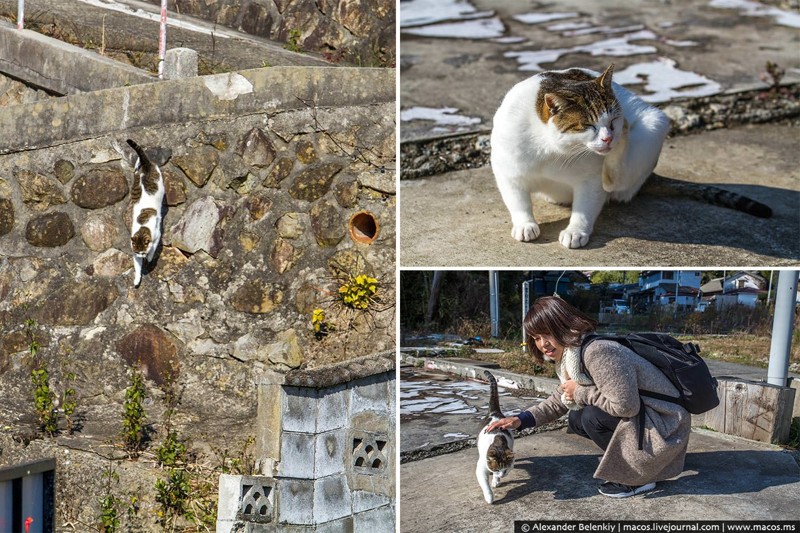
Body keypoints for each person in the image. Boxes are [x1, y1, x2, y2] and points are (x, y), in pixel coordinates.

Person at [486, 296, 691, 498]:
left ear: (563, 326)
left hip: (668, 427)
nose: (543, 344)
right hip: (653, 421)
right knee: (577, 418)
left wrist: (581, 392)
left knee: (590, 417)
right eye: (536, 338)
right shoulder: (573, 356)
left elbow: (627, 407)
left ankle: (640, 476)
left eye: (547, 334)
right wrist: (521, 420)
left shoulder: (597, 353)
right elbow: (560, 399)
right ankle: (637, 457)